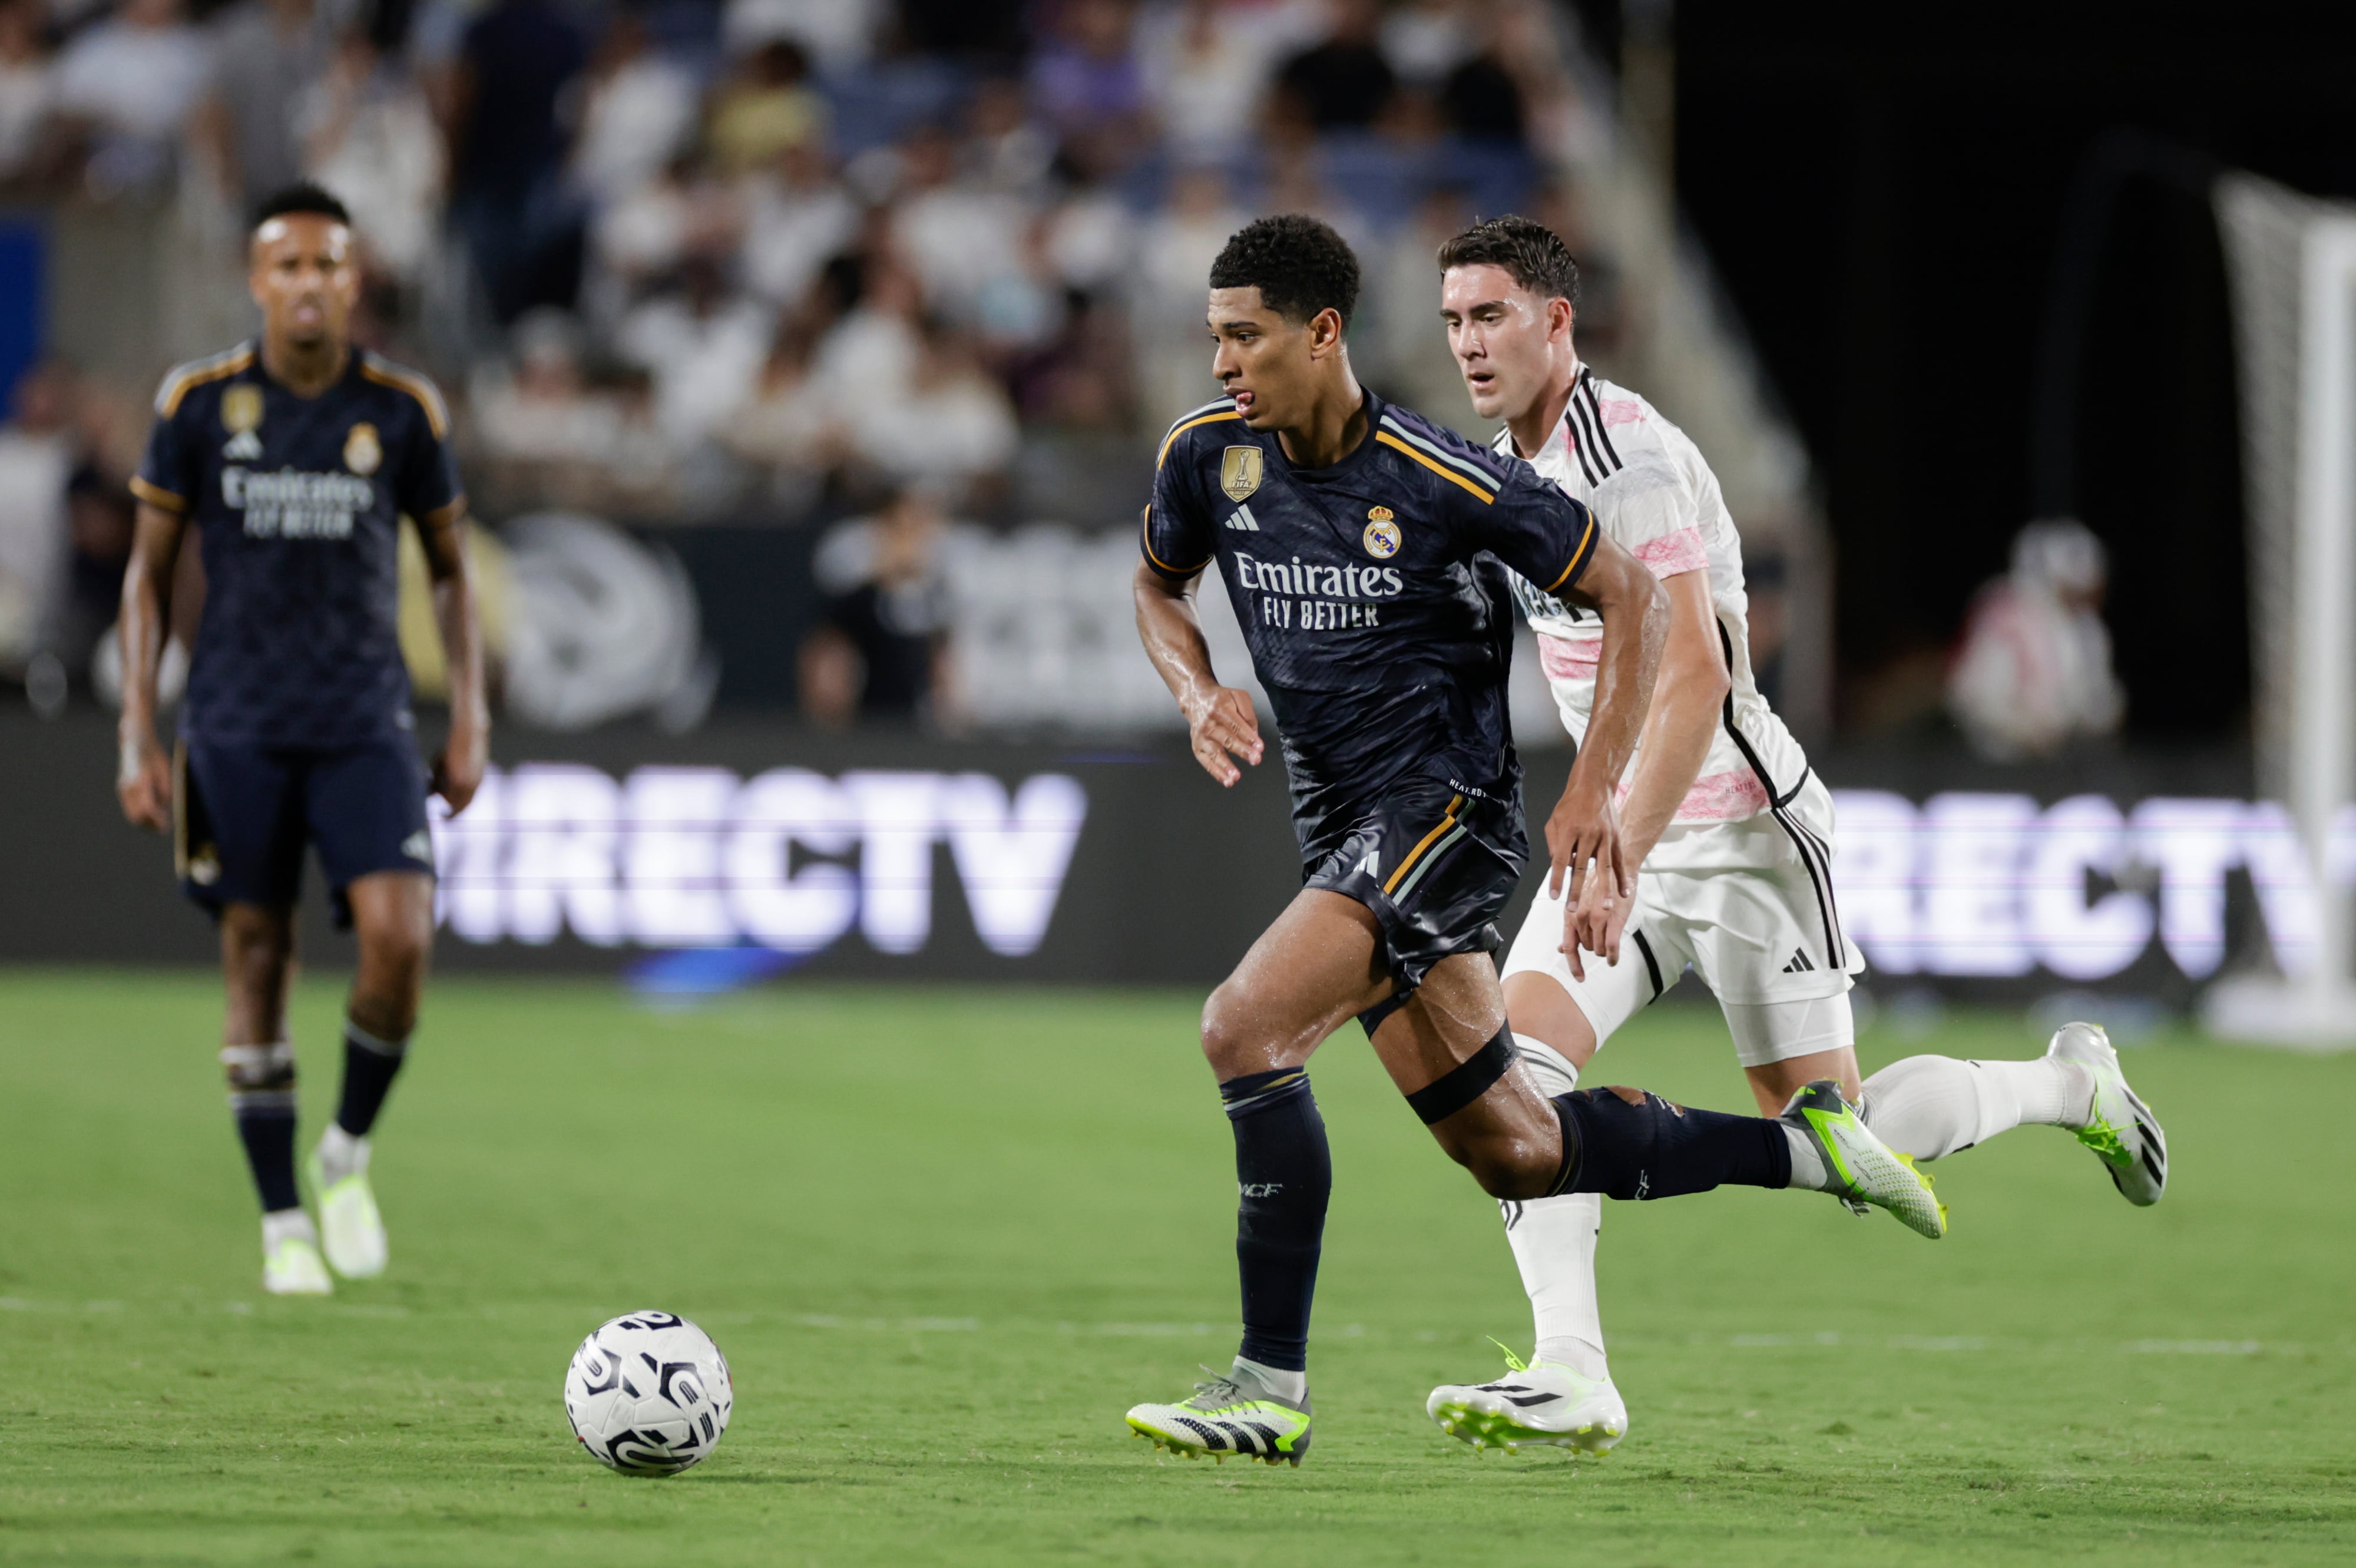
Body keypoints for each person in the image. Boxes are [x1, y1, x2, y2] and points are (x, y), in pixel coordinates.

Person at [1121, 214, 1944, 1467]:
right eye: (1214, 337)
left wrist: (1595, 802)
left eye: (1245, 336)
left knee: (1243, 1024)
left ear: (1320, 331)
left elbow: (1634, 601)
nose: (1223, 361)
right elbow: (1154, 583)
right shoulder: (1206, 458)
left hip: (1448, 818)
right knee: (1516, 1139)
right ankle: (1804, 1151)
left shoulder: (1445, 476)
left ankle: (1266, 1383)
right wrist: (1196, 692)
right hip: (1339, 826)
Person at [1421, 215, 2168, 1454]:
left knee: (1830, 1134)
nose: (1467, 342)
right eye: (1452, 320)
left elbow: (1694, 680)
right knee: (1512, 1081)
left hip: (1740, 834)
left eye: (1489, 314)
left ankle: (2062, 1082)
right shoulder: (1503, 460)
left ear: (1556, 320)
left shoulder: (1629, 463)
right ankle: (1570, 1370)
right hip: (1617, 827)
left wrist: (1615, 839)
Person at [115, 184, 487, 1296]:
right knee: (257, 958)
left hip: (365, 722)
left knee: (400, 941)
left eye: (328, 265)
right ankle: (282, 1215)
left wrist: (469, 714)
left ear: (354, 279)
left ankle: (347, 1150)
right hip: (233, 726)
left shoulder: (405, 410)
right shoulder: (198, 403)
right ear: (255, 279)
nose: (308, 284)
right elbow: (145, 575)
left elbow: (453, 572)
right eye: (287, 266)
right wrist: (139, 729)